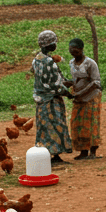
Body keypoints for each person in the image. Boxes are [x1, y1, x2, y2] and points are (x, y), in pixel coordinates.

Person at [31, 29, 72, 164]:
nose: (56, 45)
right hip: (51, 100)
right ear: (48, 44)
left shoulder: (36, 60)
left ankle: (45, 154)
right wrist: (68, 93)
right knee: (55, 125)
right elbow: (56, 84)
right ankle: (55, 155)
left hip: (41, 100)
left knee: (44, 127)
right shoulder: (49, 62)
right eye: (54, 42)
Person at [64, 38, 102, 161]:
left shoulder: (90, 63)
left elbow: (96, 83)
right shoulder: (71, 63)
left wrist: (80, 93)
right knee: (78, 124)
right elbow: (76, 79)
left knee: (91, 124)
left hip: (91, 97)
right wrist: (69, 84)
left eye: (75, 50)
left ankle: (93, 152)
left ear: (81, 49)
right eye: (71, 50)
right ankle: (83, 151)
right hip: (78, 98)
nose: (73, 53)